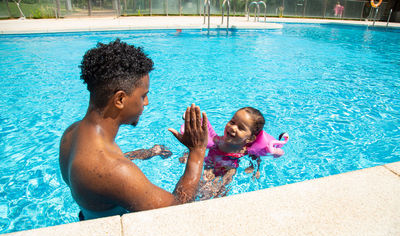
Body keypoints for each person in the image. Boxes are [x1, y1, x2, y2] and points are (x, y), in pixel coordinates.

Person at [59, 39, 208, 221]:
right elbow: (176, 210)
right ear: (120, 99)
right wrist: (197, 151)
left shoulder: (71, 133)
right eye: (143, 95)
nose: (146, 102)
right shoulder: (114, 170)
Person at [179, 107, 287, 200]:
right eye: (232, 122)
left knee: (222, 190)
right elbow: (197, 146)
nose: (233, 127)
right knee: (201, 186)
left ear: (250, 139)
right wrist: (186, 154)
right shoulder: (217, 142)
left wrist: (255, 168)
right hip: (211, 163)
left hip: (230, 167)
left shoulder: (246, 149)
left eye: (240, 128)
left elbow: (256, 156)